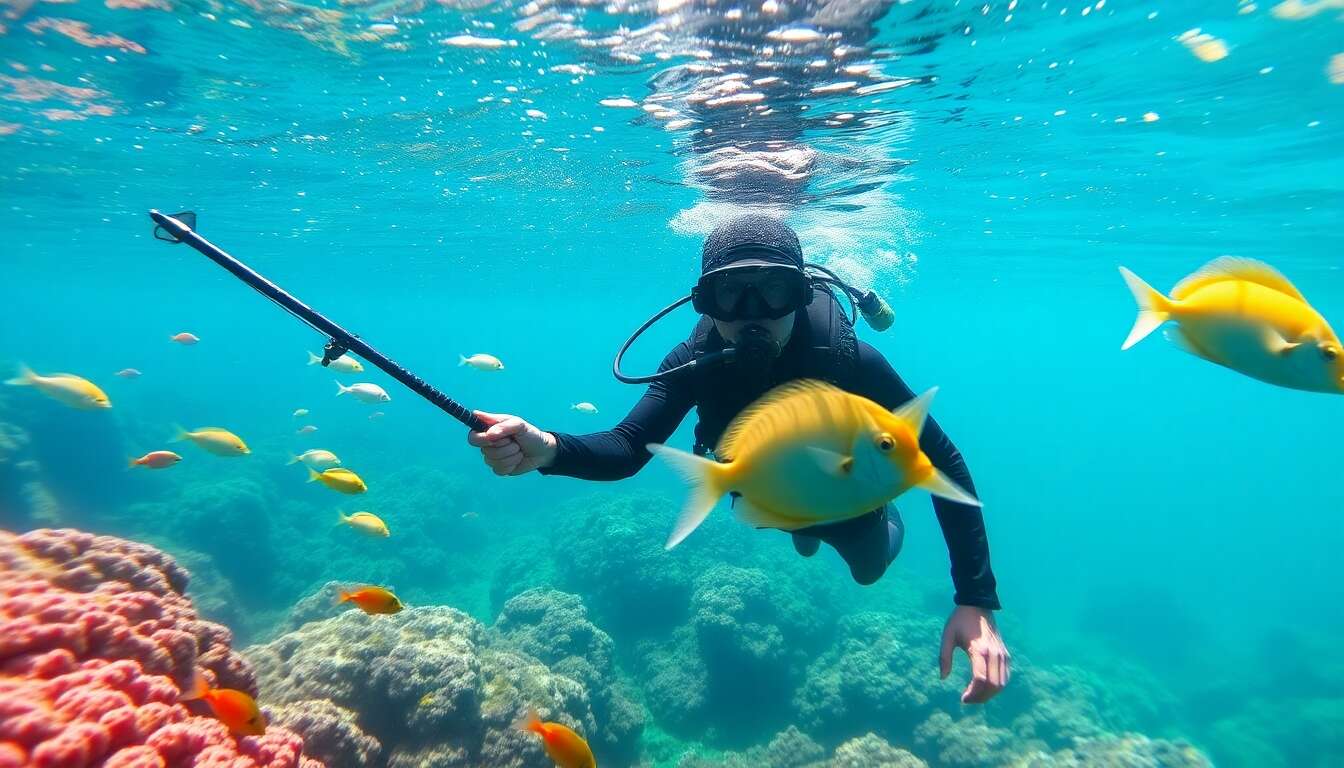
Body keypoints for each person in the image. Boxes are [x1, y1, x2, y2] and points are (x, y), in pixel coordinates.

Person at [467, 214, 1010, 704]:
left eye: (774, 291)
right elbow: (629, 446)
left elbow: (945, 460)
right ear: (705, 302)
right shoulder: (694, 361)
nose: (754, 316)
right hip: (763, 495)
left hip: (846, 501)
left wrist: (976, 600)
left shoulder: (847, 358)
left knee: (869, 573)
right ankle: (803, 528)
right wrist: (549, 448)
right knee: (798, 530)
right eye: (730, 294)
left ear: (800, 294)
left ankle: (871, 509)